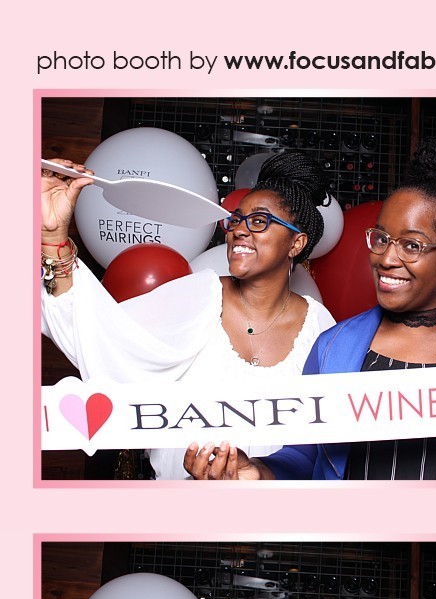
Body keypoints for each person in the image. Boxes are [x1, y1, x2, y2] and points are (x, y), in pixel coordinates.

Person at [185, 139, 436, 484]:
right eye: (381, 239)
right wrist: (258, 470)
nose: (386, 259)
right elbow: (303, 456)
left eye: (411, 245)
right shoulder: (332, 347)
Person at [41, 151, 335, 479]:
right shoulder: (199, 296)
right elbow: (99, 336)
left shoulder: (320, 329)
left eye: (259, 221)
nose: (238, 230)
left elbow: (325, 444)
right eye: (236, 219)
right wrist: (52, 239)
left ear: (296, 243)